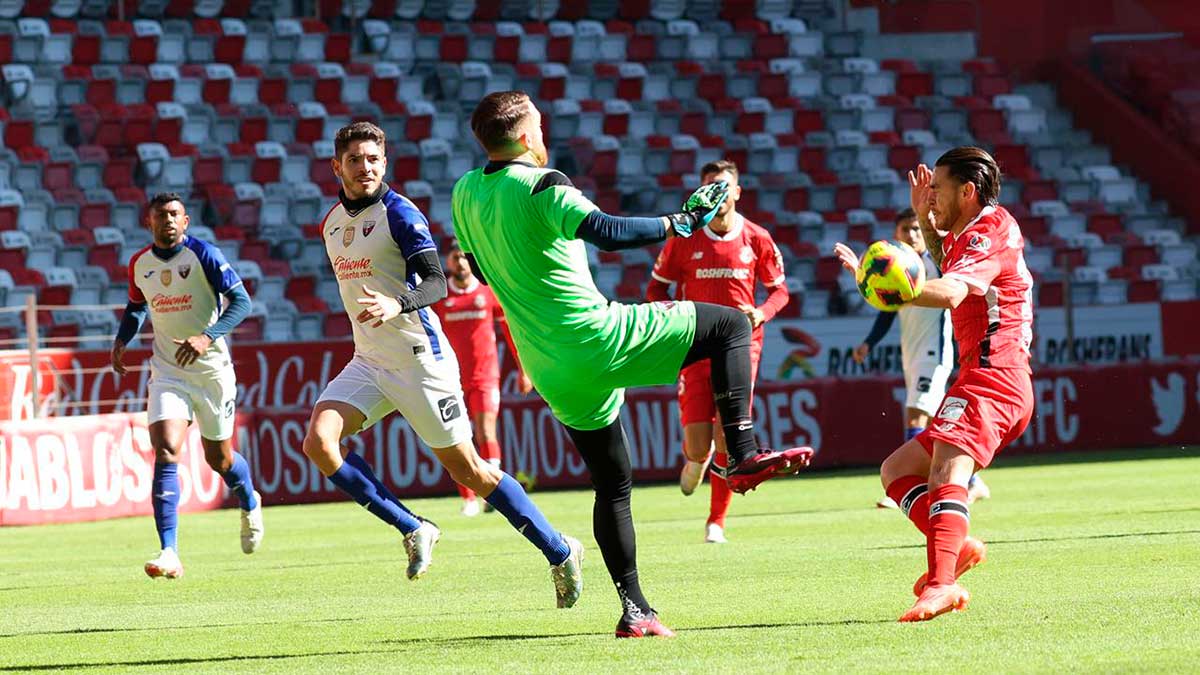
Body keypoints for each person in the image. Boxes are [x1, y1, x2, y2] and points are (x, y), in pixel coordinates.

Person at [452, 90, 813, 638]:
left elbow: (480, 272)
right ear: (526, 136)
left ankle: (636, 610)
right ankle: (741, 453)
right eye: (540, 125)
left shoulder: (464, 192)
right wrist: (681, 221)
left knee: (613, 485)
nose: (544, 133)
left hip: (549, 366)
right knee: (731, 327)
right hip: (596, 336)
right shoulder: (545, 184)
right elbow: (608, 232)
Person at [300, 122, 583, 608]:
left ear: (385, 163)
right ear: (336, 167)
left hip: (420, 361)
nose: (365, 167)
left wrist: (397, 304)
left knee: (470, 470)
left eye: (373, 159)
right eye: (355, 160)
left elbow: (436, 283)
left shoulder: (400, 213)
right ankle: (413, 527)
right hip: (369, 361)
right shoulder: (331, 223)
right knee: (319, 443)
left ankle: (559, 550)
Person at [834, 147, 1034, 622]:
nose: (930, 197)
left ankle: (942, 584)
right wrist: (925, 219)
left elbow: (951, 291)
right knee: (897, 470)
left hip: (995, 377)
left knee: (946, 474)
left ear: (967, 192)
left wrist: (884, 286)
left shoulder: (989, 231)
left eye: (938, 190)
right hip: (984, 378)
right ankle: (954, 546)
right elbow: (946, 261)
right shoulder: (967, 234)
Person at [112, 192, 263, 579]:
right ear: (149, 221)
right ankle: (169, 551)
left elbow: (242, 302)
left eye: (174, 214)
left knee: (220, 460)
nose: (168, 220)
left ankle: (249, 499)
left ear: (186, 221)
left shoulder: (204, 255)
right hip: (168, 371)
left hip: (212, 372)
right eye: (161, 215)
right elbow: (136, 306)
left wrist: (207, 337)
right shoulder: (140, 264)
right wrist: (122, 340)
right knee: (166, 450)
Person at [645, 159, 789, 544]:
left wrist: (761, 312)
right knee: (698, 445)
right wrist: (671, 320)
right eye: (711, 187)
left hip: (742, 347)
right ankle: (697, 458)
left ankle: (716, 522)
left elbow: (780, 291)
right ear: (701, 193)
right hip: (694, 346)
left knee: (728, 433)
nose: (719, 194)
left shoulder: (757, 237)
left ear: (737, 191)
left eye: (725, 186)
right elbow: (656, 289)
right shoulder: (684, 237)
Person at [852, 210, 989, 508]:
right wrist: (869, 343)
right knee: (934, 422)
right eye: (906, 229)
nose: (912, 234)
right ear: (896, 234)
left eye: (916, 229)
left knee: (915, 415)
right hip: (911, 353)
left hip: (933, 353)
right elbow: (888, 312)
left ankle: (909, 483)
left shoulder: (933, 265)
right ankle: (973, 482)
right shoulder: (898, 268)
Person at [433, 241, 530, 516]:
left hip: (485, 375)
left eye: (464, 257)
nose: (461, 262)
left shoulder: (486, 292)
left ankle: (493, 492)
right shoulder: (440, 295)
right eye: (455, 257)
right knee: (456, 437)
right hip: (449, 378)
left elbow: (509, 331)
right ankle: (468, 499)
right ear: (448, 262)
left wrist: (523, 369)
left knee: (486, 430)